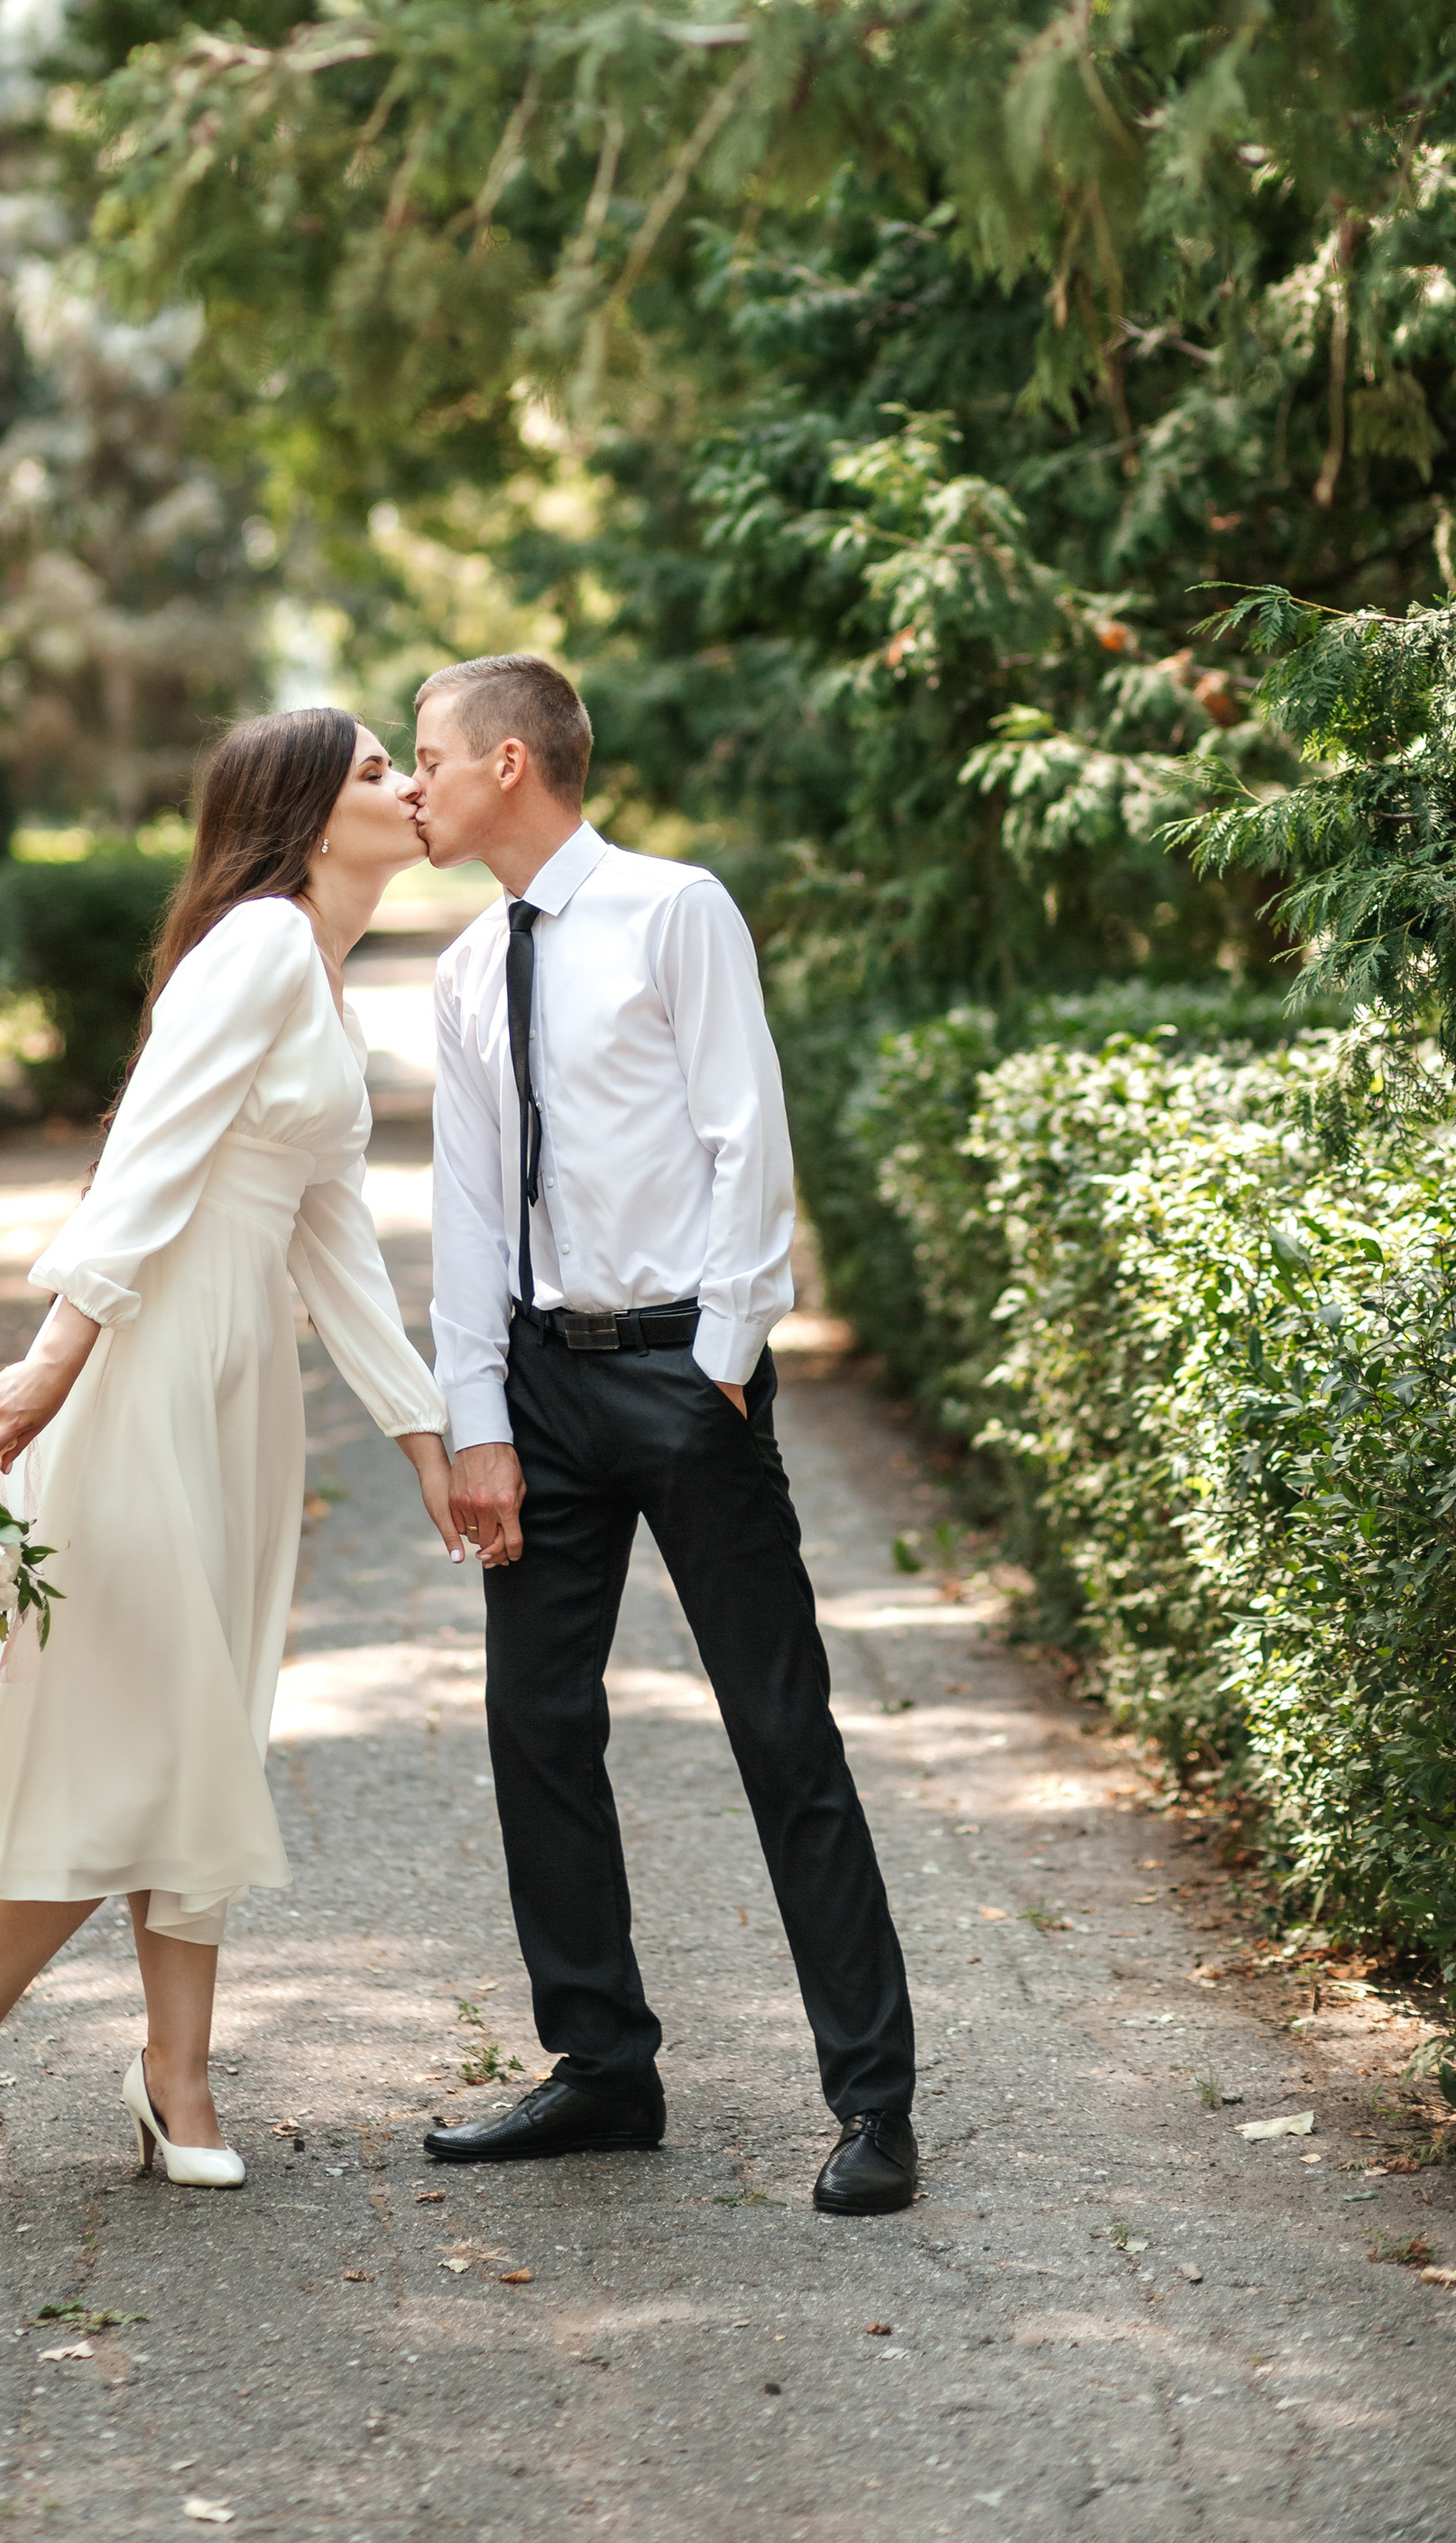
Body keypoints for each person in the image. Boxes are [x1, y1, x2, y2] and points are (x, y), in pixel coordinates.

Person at [0, 707, 457, 2196]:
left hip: (241, 1389)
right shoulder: (252, 944)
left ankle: (175, 2077)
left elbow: (335, 1242)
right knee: (146, 1731)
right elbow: (147, 1156)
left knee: (206, 1727)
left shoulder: (327, 991)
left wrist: (421, 1432)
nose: (416, 785)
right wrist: (62, 1347)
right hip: (143, 1366)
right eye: (382, 770)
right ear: (309, 818)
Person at [407, 653, 917, 2213]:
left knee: (781, 1730)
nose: (410, 782)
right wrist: (478, 1416)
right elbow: (471, 1209)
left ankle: (876, 2105)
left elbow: (745, 1134)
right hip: (542, 1398)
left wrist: (723, 1358)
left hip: (680, 1377)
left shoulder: (674, 908)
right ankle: (604, 2070)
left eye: (427, 755)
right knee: (535, 1723)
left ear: (510, 761)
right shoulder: (466, 965)